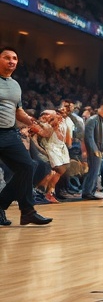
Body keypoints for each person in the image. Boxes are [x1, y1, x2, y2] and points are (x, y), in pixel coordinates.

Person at [0, 46, 52, 226]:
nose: (12, 61)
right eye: (7, 57)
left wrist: (33, 122)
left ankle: (27, 211)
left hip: (8, 134)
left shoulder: (15, 85)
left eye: (14, 58)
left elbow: (18, 111)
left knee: (27, 167)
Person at [81, 104, 103, 200]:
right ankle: (87, 192)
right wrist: (94, 150)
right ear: (101, 110)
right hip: (94, 150)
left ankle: (91, 191)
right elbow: (89, 136)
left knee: (95, 172)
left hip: (99, 150)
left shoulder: (102, 121)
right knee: (93, 171)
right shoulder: (93, 120)